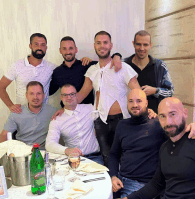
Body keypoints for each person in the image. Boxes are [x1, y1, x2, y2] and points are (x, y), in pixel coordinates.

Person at [113, 97, 195, 199]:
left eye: (173, 114)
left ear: (185, 113)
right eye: (162, 116)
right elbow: (156, 184)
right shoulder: (165, 147)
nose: (168, 122)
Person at [109, 89, 195, 199]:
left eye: (139, 101)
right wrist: (113, 176)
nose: (135, 105)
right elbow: (113, 154)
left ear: (146, 103)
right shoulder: (122, 125)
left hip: (142, 185)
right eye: (131, 101)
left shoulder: (158, 124)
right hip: (120, 181)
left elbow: (180, 133)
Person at [75, 31, 141, 166]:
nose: (102, 46)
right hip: (100, 122)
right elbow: (81, 95)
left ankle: (126, 186)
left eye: (105, 42)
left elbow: (138, 92)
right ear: (94, 46)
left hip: (122, 120)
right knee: (106, 157)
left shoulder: (122, 67)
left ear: (111, 45)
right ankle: (111, 185)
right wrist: (63, 109)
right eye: (98, 43)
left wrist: (146, 111)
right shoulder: (92, 70)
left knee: (125, 157)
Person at [49, 36, 122, 105]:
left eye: (71, 48)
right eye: (64, 49)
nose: (68, 52)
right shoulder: (56, 72)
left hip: (88, 111)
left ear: (76, 49)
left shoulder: (87, 65)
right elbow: (49, 91)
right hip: (67, 110)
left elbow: (106, 61)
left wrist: (117, 56)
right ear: (60, 50)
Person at [0, 33, 56, 113]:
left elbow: (66, 71)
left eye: (43, 45)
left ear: (46, 47)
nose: (39, 47)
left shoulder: (51, 67)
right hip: (21, 114)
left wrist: (79, 63)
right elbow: (1, 87)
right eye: (36, 44)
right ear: (30, 46)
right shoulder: (17, 65)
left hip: (43, 116)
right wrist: (10, 106)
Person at [46, 84, 103, 165]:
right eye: (65, 95)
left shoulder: (90, 108)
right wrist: (66, 150)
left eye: (72, 94)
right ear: (61, 97)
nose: (69, 97)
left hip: (94, 158)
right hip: (73, 160)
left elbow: (103, 120)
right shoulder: (57, 120)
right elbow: (49, 144)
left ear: (76, 95)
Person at [124, 30, 174, 113]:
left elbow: (170, 92)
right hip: (128, 118)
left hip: (153, 119)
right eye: (138, 44)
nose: (142, 48)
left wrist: (154, 91)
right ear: (133, 44)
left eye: (145, 45)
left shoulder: (159, 66)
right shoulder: (124, 65)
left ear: (150, 45)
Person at [0, 81, 57, 149]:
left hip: (43, 153)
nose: (35, 97)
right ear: (26, 95)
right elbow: (4, 135)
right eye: (31, 93)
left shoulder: (52, 112)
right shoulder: (16, 112)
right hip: (22, 152)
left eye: (38, 93)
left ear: (43, 95)